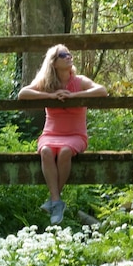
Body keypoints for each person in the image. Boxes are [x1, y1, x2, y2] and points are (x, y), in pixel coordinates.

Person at [18, 45, 107, 225]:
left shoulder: (79, 81)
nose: (69, 57)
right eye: (63, 55)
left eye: (69, 54)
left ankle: (53, 201)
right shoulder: (47, 83)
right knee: (46, 152)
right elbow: (23, 93)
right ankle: (57, 202)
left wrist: (75, 96)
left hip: (75, 135)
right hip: (51, 133)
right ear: (54, 62)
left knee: (65, 151)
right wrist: (50, 96)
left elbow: (102, 91)